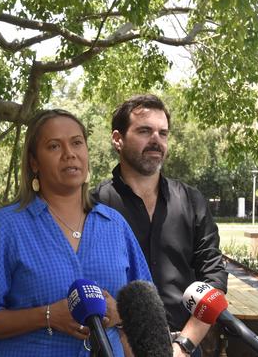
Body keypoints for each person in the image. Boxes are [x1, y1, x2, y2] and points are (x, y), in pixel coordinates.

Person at [0, 109, 152, 357]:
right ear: (34, 162)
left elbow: (144, 311)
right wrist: (47, 316)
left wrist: (119, 313)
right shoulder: (6, 227)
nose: (69, 154)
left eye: (77, 143)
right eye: (54, 146)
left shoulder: (115, 225)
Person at [92, 94, 228, 357]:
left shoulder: (191, 201)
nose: (156, 139)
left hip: (185, 346)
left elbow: (214, 278)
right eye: (144, 130)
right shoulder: (95, 206)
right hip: (117, 347)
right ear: (117, 139)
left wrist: (184, 347)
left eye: (162, 133)